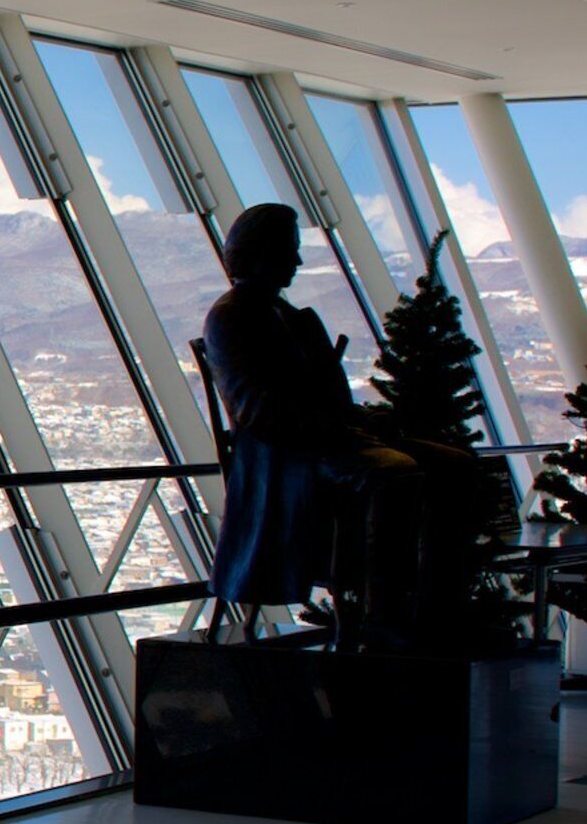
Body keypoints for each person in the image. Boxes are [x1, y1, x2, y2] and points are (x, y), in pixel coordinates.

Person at [199, 203, 467, 646]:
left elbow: (329, 397)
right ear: (259, 252)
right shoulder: (230, 317)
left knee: (454, 465)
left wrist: (358, 421)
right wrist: (332, 426)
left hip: (325, 440)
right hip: (286, 455)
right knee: (394, 473)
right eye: (289, 251)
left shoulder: (289, 317)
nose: (298, 263)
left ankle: (437, 608)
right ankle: (385, 614)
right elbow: (255, 411)